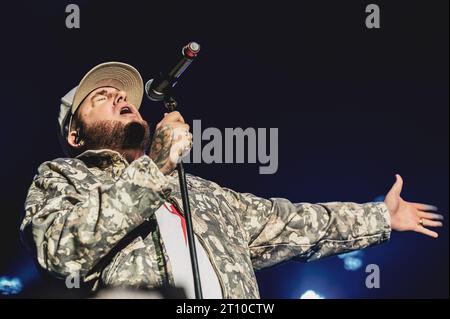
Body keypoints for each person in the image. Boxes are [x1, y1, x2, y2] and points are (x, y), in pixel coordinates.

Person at [20, 62, 444, 299]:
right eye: (101, 96)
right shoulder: (64, 177)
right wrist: (155, 167)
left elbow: (293, 223)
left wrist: (380, 218)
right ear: (75, 134)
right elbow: (61, 252)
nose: (119, 97)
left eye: (123, 95)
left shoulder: (202, 193)